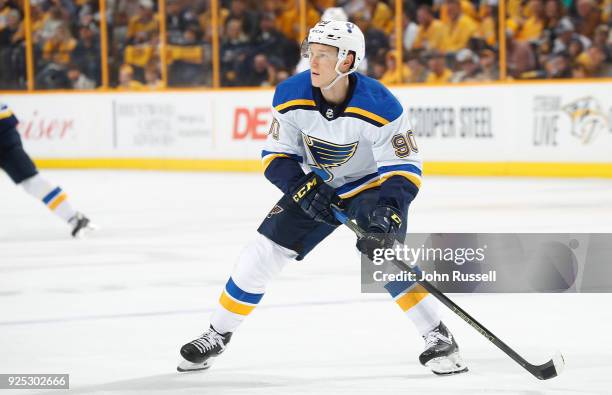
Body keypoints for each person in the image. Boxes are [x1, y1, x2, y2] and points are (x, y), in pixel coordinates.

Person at [177, 20, 468, 376]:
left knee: (386, 256)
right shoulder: (290, 94)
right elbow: (276, 155)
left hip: (369, 186)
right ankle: (216, 334)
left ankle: (439, 337)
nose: (313, 63)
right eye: (311, 53)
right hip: (317, 184)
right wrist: (300, 186)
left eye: (324, 55)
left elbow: (403, 167)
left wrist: (387, 216)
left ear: (347, 61)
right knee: (262, 251)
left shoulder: (381, 105)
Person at [0, 103, 94, 237]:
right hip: (6, 134)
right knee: (33, 184)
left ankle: (74, 217)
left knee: (33, 183)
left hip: (4, 139)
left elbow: (7, 117)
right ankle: (74, 217)